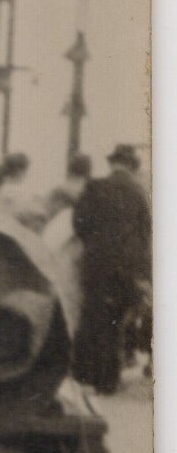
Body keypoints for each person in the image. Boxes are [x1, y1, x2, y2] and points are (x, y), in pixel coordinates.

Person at [70, 144, 152, 394]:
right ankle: (109, 380)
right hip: (127, 268)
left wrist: (94, 246)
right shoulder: (139, 194)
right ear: (131, 166)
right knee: (118, 321)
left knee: (95, 317)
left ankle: (88, 377)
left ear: (112, 164)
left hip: (97, 264)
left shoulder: (95, 187)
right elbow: (145, 233)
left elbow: (79, 222)